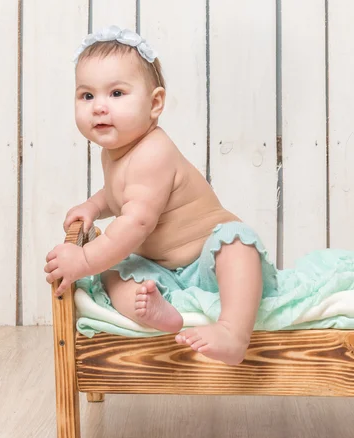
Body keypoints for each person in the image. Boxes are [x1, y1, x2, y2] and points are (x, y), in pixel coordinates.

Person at [43, 26, 277, 365]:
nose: (99, 107)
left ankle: (232, 333)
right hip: (162, 271)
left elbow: (137, 220)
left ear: (155, 104)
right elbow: (118, 195)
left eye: (117, 93)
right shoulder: (117, 151)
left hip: (206, 260)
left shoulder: (154, 151)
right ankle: (157, 313)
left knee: (238, 245)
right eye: (87, 96)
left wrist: (84, 259)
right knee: (112, 274)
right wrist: (94, 205)